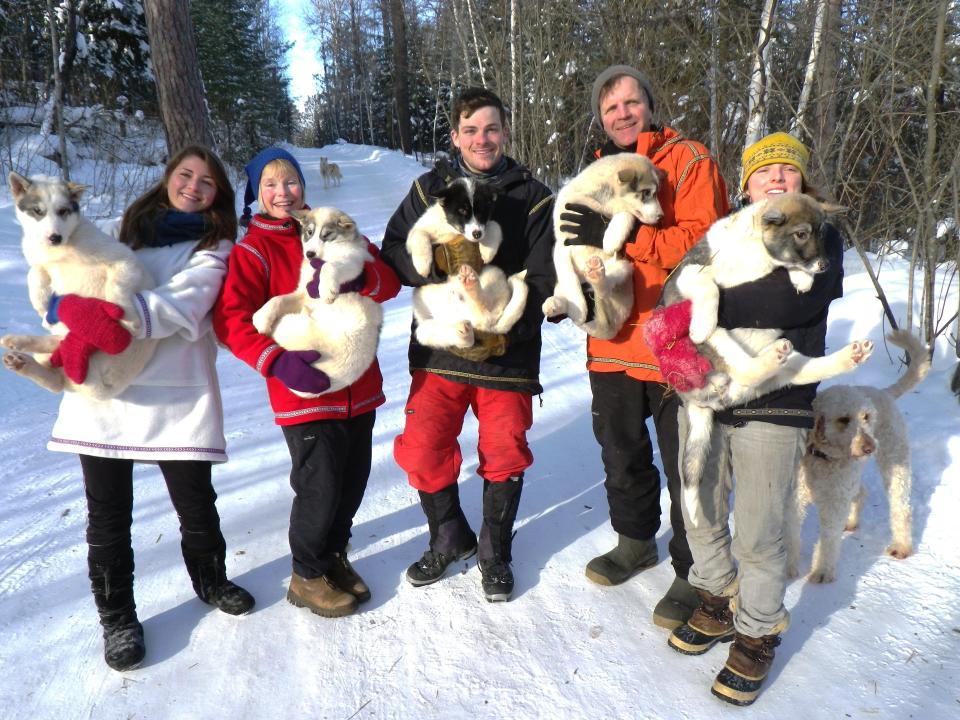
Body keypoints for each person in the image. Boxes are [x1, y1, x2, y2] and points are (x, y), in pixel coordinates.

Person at [44, 146, 255, 672]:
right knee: (107, 517)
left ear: (218, 196)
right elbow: (74, 279)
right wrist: (60, 307)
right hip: (107, 394)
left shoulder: (214, 247)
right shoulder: (122, 233)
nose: (194, 186)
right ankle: (117, 620)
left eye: (207, 182)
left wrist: (109, 317)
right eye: (186, 175)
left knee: (195, 505)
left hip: (175, 396)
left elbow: (184, 304)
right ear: (167, 178)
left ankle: (210, 581)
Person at [666, 132, 844, 706]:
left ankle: (758, 627)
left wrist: (707, 296)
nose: (775, 179)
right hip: (709, 387)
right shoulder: (725, 234)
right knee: (699, 505)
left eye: (786, 172)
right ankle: (718, 598)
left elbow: (792, 303)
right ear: (746, 187)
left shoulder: (820, 232)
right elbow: (672, 293)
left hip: (776, 393)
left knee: (763, 525)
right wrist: (692, 297)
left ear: (800, 181)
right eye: (763, 173)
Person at [559, 65, 729, 628]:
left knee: (689, 462)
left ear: (650, 106)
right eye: (610, 108)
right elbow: (577, 241)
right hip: (611, 340)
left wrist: (634, 231)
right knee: (621, 452)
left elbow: (705, 242)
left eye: (632, 102)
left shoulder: (689, 159)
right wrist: (575, 291)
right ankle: (634, 541)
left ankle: (692, 569)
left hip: (674, 340)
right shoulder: (601, 173)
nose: (622, 114)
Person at [380, 87, 554, 603]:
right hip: (440, 349)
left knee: (504, 449)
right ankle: (450, 533)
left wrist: (505, 330)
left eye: (492, 128)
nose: (483, 139)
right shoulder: (429, 188)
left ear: (505, 132)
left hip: (506, 351)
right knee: (421, 445)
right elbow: (394, 248)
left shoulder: (534, 195)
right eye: (471, 130)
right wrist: (430, 264)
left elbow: (543, 276)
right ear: (455, 136)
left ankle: (494, 548)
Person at [213, 148, 400, 619]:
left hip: (357, 382)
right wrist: (276, 362)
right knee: (320, 486)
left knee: (353, 481)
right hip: (307, 389)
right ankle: (307, 574)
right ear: (256, 193)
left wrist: (364, 280)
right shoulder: (253, 250)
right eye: (271, 185)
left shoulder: (330, 225)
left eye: (291, 182)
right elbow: (231, 322)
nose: (282, 193)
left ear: (303, 185)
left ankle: (334, 556)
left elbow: (390, 281)